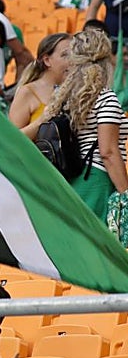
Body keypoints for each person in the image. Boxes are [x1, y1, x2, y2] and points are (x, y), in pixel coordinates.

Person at [41, 30, 128, 219]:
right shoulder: (106, 98)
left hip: (72, 177)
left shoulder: (65, 98)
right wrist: (125, 193)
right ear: (106, 59)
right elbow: (108, 152)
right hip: (98, 178)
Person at [10, 33, 71, 139]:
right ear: (47, 60)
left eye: (76, 55)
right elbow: (12, 140)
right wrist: (43, 119)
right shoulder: (27, 92)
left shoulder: (76, 90)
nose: (73, 61)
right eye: (65, 55)